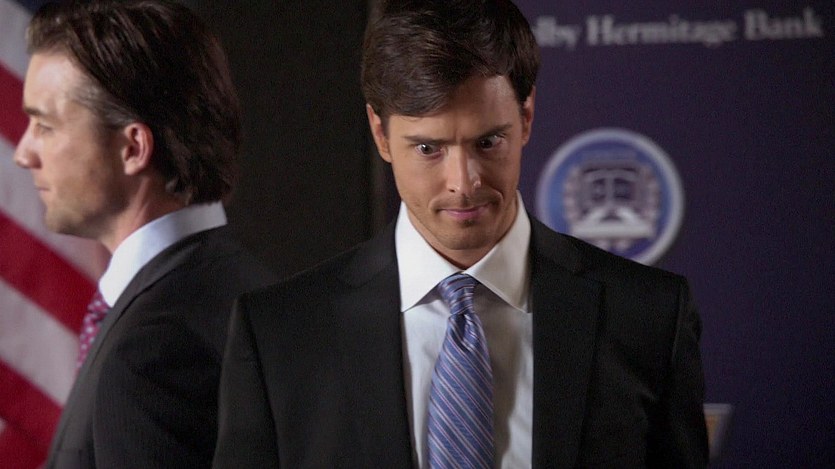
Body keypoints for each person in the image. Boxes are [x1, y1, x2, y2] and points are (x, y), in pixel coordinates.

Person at [212, 0, 708, 467]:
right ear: (380, 134)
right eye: (428, 148)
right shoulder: (280, 335)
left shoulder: (648, 318)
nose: (463, 182)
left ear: (526, 116)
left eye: (488, 142)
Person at [13, 1, 276, 467]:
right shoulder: (254, 290)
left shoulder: (152, 353)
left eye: (45, 126)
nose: (24, 153)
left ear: (133, 147)